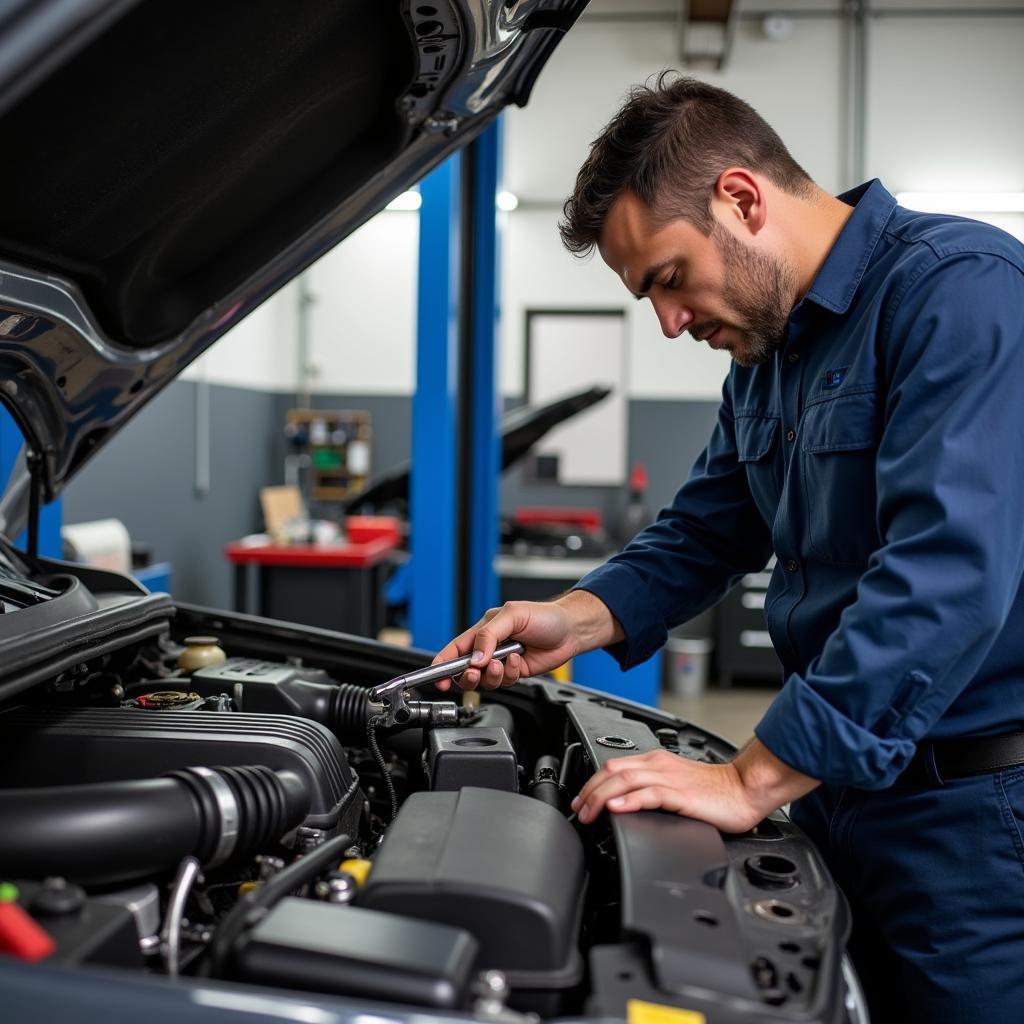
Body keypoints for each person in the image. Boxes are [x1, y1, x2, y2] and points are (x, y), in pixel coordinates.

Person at [431, 74, 1024, 1022]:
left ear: (741, 198)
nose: (669, 322)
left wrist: (751, 778)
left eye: (669, 278)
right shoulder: (769, 355)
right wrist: (573, 618)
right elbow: (706, 528)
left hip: (974, 819)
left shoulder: (960, 293)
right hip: (841, 795)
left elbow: (946, 577)